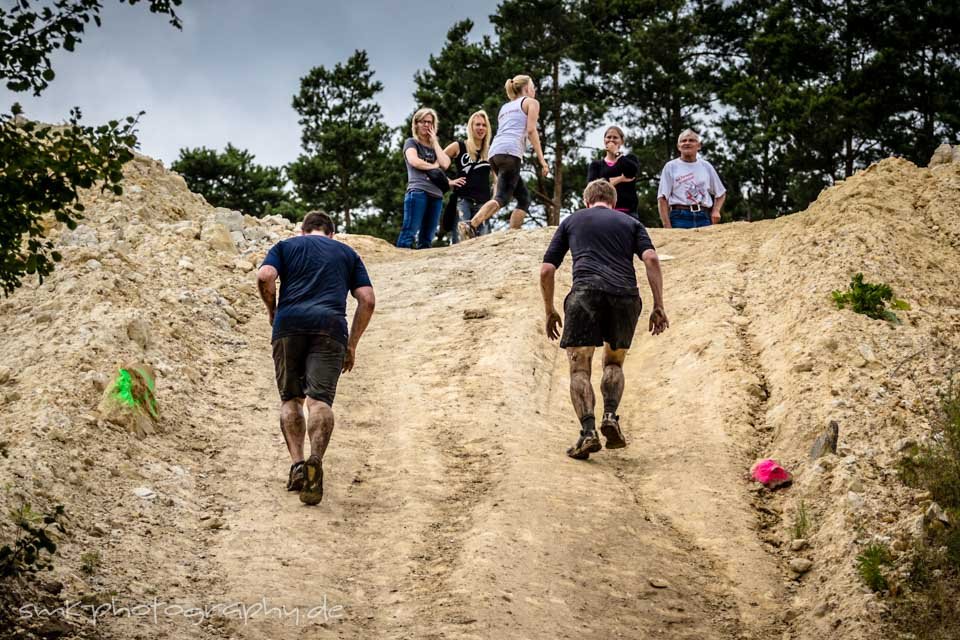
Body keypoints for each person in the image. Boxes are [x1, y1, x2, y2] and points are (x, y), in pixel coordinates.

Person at [540, 180, 669, 460]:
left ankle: (588, 433)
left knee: (579, 370)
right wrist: (658, 305)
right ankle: (610, 415)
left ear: (587, 201)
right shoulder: (630, 223)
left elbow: (547, 270)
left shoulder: (572, 221)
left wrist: (549, 309)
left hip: (585, 294)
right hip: (625, 297)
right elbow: (652, 260)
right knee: (613, 362)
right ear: (612, 201)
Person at [257, 211, 376, 505]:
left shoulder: (285, 247)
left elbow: (265, 276)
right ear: (332, 234)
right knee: (319, 402)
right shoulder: (347, 253)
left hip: (289, 326)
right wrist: (351, 345)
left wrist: (273, 310)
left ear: (303, 231)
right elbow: (368, 300)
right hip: (330, 328)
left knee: (291, 400)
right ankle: (315, 460)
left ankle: (297, 465)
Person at [458, 74, 549, 240]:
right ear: (527, 88)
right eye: (533, 86)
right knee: (501, 198)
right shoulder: (531, 102)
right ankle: (471, 224)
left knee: (523, 198)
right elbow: (531, 130)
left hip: (495, 152)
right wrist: (542, 159)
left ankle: (512, 235)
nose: (534, 89)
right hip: (510, 153)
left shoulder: (505, 108)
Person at [397, 107, 451, 249]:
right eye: (423, 122)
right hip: (418, 192)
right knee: (409, 232)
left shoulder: (435, 147)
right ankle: (400, 265)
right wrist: (434, 166)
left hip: (436, 195)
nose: (427, 125)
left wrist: (435, 142)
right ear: (416, 124)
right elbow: (414, 161)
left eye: (430, 122)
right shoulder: (411, 142)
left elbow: (445, 163)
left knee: (427, 238)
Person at [657, 129, 726, 229]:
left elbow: (721, 193)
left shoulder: (706, 166)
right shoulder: (670, 167)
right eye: (683, 141)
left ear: (699, 146)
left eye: (691, 140)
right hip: (679, 217)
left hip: (704, 216)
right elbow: (662, 198)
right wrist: (667, 226)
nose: (687, 143)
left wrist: (716, 210)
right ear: (678, 146)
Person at [444, 110, 493, 243]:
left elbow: (497, 175)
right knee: (461, 241)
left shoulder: (490, 151)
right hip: (463, 200)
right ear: (471, 127)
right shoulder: (458, 146)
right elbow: (437, 163)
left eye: (484, 125)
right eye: (477, 124)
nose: (481, 128)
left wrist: (496, 197)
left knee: (483, 243)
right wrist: (448, 181)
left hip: (484, 203)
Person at [587, 126, 641, 221]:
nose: (611, 140)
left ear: (622, 141)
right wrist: (620, 179)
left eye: (615, 137)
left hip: (628, 213)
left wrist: (616, 153)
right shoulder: (596, 165)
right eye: (608, 137)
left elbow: (631, 172)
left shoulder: (630, 159)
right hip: (603, 212)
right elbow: (592, 188)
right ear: (604, 140)